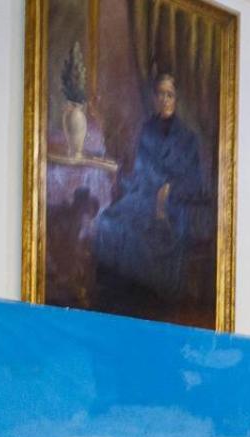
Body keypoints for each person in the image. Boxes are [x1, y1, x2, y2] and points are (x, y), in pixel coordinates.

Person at [90, 72, 214, 324]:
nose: (165, 100)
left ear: (176, 99)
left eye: (170, 95)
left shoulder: (188, 138)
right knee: (109, 221)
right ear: (154, 97)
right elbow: (140, 172)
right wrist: (132, 186)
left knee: (145, 237)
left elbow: (195, 185)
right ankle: (116, 301)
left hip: (174, 206)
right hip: (144, 195)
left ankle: (147, 301)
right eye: (160, 94)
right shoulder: (147, 130)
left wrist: (168, 192)